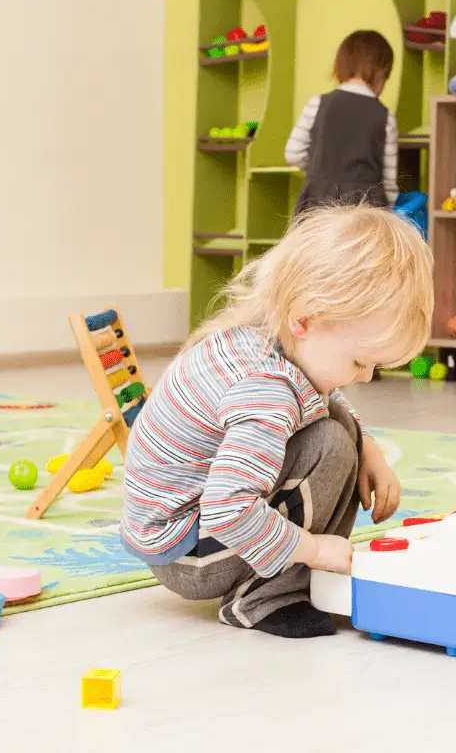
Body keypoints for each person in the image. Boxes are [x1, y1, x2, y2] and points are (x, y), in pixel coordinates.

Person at [120, 205, 433, 639]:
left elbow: (323, 395)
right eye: (361, 362)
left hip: (187, 533)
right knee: (331, 444)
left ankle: (294, 579)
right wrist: (315, 549)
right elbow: (227, 509)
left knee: (344, 433)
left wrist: (370, 447)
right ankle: (264, 597)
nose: (364, 377)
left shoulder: (274, 340)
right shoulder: (265, 388)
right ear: (304, 320)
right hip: (189, 556)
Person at [286, 31, 400, 216]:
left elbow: (293, 154)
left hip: (319, 200)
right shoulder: (386, 117)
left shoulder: (318, 104)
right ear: (381, 72)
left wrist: (319, 171)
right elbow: (388, 183)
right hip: (365, 207)